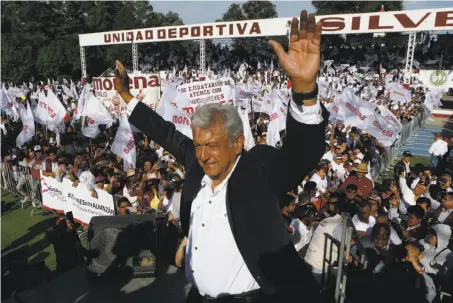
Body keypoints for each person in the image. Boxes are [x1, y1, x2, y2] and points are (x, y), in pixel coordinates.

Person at [115, 10, 325, 302]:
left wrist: (304, 89)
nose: (204, 155)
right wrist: (127, 97)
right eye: (199, 145)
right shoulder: (198, 163)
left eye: (213, 145)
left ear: (237, 143)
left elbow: (302, 151)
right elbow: (165, 132)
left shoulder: (257, 172)